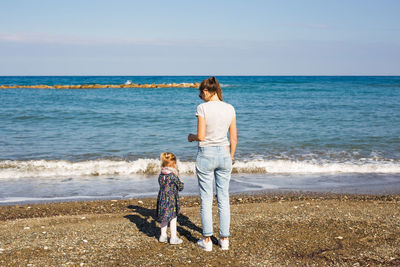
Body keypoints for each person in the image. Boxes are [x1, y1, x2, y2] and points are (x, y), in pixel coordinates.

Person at [188, 76, 237, 251]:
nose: (200, 97)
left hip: (206, 154)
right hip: (224, 153)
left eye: (201, 93)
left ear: (206, 91)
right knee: (223, 197)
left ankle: (207, 241)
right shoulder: (230, 108)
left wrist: (191, 137)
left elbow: (201, 136)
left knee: (206, 198)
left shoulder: (202, 108)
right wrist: (230, 157)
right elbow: (234, 138)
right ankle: (224, 240)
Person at [156, 152, 184, 245]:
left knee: (164, 219)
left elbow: (162, 185)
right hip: (171, 200)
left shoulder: (161, 175)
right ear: (173, 164)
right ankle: (173, 238)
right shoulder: (173, 176)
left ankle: (162, 236)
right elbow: (180, 187)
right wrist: (180, 181)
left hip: (162, 199)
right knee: (173, 218)